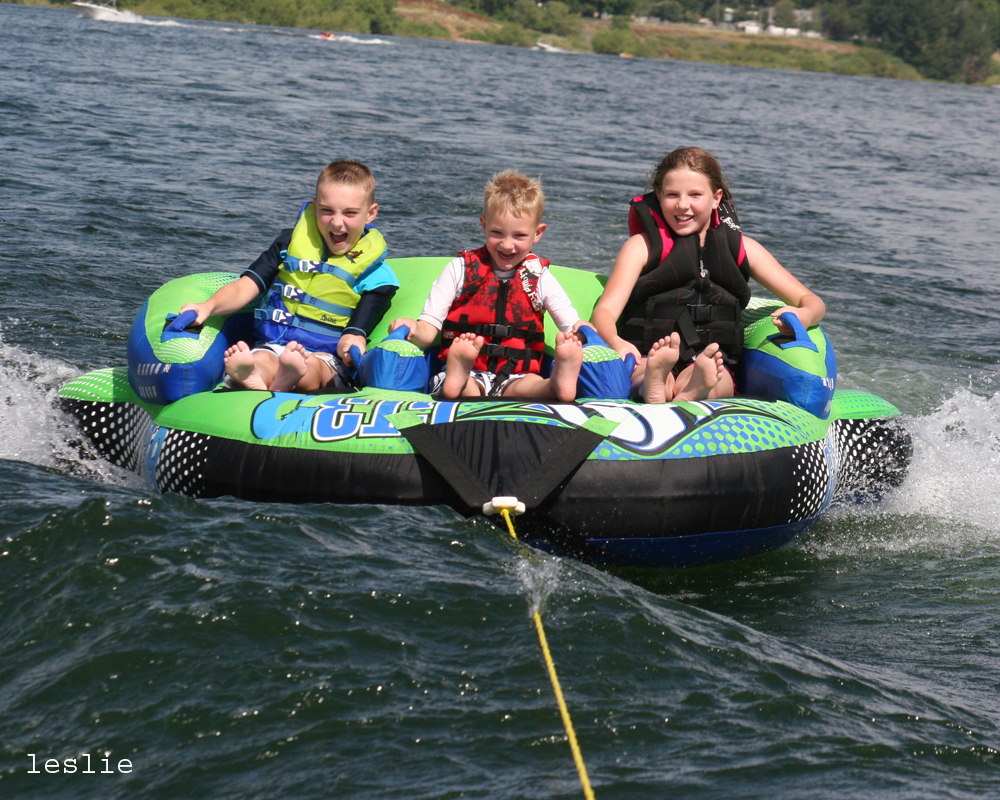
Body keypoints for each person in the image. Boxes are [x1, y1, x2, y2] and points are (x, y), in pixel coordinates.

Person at [590, 146, 825, 404]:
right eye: (671, 195)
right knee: (644, 370)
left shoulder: (742, 249)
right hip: (649, 353)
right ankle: (658, 383)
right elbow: (605, 312)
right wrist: (617, 342)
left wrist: (804, 315)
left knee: (717, 377)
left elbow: (811, 301)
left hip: (711, 360)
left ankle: (692, 389)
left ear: (716, 198)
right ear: (658, 196)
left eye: (695, 195)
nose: (682, 205)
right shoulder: (641, 247)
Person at [180, 160, 398, 393]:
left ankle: (284, 379)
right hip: (274, 347)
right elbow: (246, 286)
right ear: (315, 207)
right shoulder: (288, 243)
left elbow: (355, 333)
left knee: (312, 368)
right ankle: (257, 378)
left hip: (326, 359)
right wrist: (208, 306)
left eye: (350, 213)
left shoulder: (377, 276)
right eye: (326, 210)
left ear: (370, 213)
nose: (337, 223)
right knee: (262, 359)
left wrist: (352, 343)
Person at [389, 170, 584, 401]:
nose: (507, 245)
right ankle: (459, 377)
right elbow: (428, 330)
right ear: (483, 225)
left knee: (534, 385)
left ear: (537, 233)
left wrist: (580, 333)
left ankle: (558, 384)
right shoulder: (459, 269)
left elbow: (571, 328)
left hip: (518, 375)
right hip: (467, 372)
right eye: (496, 233)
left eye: (519, 235)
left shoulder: (540, 277)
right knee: (462, 384)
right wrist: (412, 328)